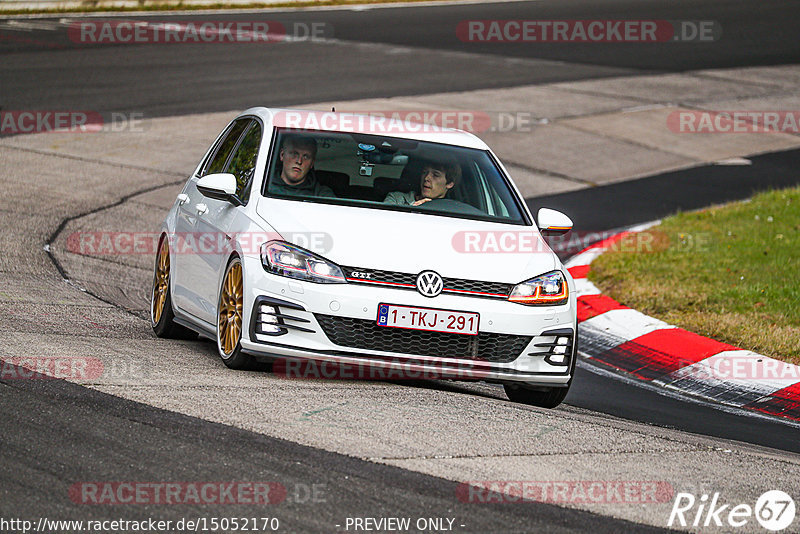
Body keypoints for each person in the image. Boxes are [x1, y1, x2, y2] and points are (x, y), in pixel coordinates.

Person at [270, 135, 336, 198]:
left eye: (306, 156)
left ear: (312, 163)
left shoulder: (321, 194)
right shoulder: (263, 185)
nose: (299, 161)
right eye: (294, 154)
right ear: (282, 155)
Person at [384, 157, 461, 206]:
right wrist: (412, 209)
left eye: (435, 175)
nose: (426, 178)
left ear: (450, 184)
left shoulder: (452, 210)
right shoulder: (396, 199)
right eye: (424, 172)